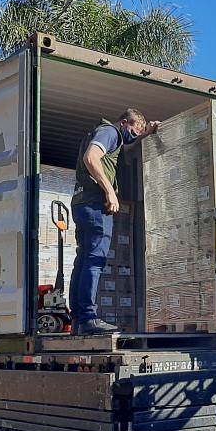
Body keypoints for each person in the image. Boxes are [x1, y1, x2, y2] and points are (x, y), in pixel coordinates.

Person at [69, 109, 158, 335]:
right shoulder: (109, 132)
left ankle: (79, 320)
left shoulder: (114, 137)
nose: (133, 135)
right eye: (134, 130)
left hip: (83, 202)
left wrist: (145, 135)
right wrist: (109, 191)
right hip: (94, 204)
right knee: (95, 259)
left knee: (84, 260)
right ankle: (88, 317)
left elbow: (125, 146)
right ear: (124, 122)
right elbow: (91, 157)